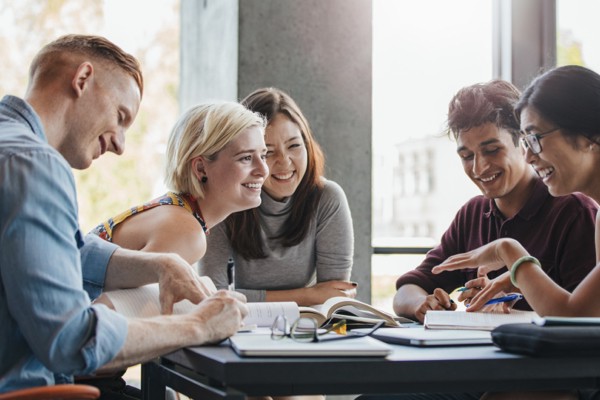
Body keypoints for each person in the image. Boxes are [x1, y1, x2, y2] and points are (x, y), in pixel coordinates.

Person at [0, 34, 247, 395]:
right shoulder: (35, 164)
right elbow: (72, 341)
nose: (119, 144)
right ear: (82, 79)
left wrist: (160, 264)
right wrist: (199, 325)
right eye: (121, 116)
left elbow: (63, 249)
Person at [432, 65, 600, 400]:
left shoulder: (581, 212)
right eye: (524, 141)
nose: (527, 155)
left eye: (535, 138)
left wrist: (511, 254)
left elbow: (572, 323)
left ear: (586, 135)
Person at [393, 80, 597, 324]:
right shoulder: (473, 214)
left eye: (492, 150)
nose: (479, 168)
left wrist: (512, 259)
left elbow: (580, 320)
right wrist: (423, 304)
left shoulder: (576, 211)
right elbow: (411, 286)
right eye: (467, 156)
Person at [199, 87, 356, 306]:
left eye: (294, 146)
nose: (284, 162)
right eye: (268, 152)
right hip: (238, 327)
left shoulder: (327, 198)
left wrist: (316, 297)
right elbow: (214, 297)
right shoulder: (224, 200)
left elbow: (333, 296)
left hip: (306, 328)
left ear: (308, 145)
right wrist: (308, 295)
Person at [90, 102, 269, 265]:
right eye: (246, 158)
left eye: (263, 156)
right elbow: (114, 300)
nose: (263, 170)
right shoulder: (185, 233)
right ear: (200, 168)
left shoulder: (179, 212)